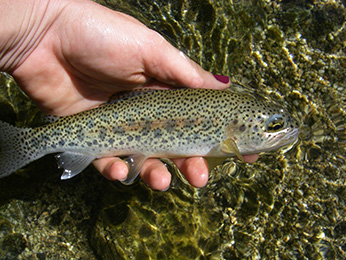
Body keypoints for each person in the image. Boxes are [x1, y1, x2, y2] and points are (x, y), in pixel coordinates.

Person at [0, 0, 258, 191]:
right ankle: (24, 144)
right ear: (239, 129)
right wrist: (44, 25)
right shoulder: (232, 140)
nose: (281, 132)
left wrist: (43, 24)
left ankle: (25, 144)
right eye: (274, 126)